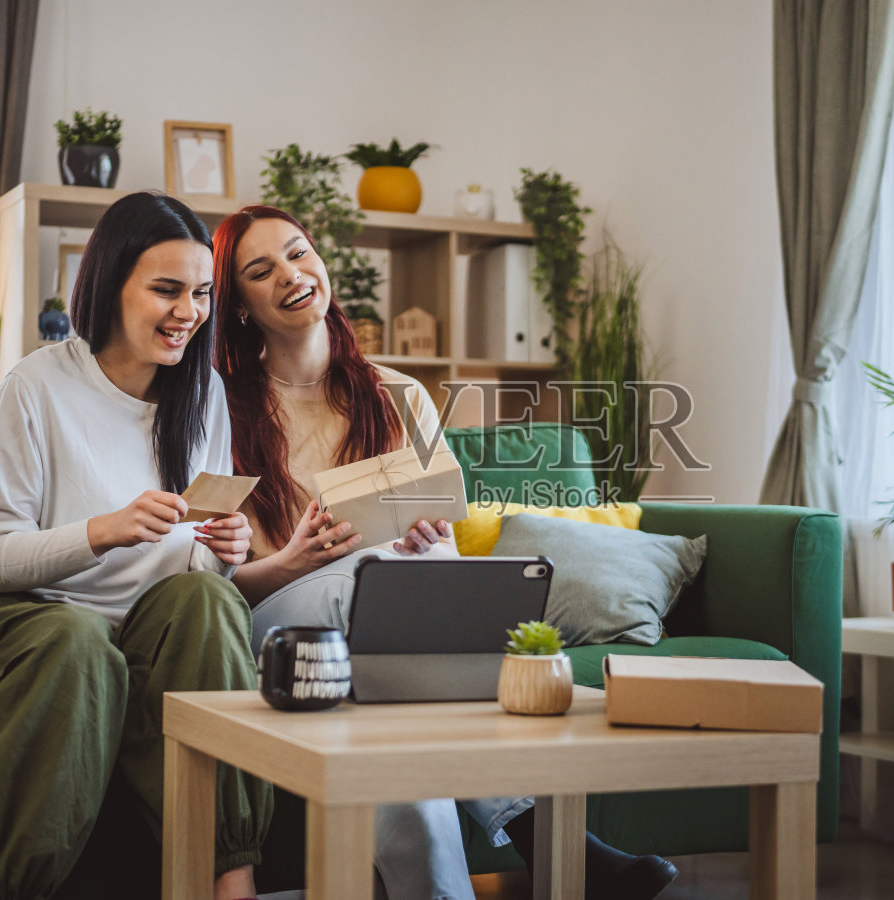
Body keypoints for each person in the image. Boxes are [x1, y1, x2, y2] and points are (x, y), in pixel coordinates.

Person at [211, 204, 678, 900]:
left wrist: (423, 541)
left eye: (299, 253)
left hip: (382, 626)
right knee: (374, 584)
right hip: (282, 624)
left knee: (405, 700)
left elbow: (449, 553)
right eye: (261, 270)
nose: (291, 275)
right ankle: (544, 837)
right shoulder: (219, 408)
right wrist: (296, 560)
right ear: (240, 305)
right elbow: (217, 591)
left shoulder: (398, 394)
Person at [0, 191, 273, 900]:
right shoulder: (36, 386)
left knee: (210, 600)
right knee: (78, 639)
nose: (189, 313)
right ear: (111, 282)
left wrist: (224, 549)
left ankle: (229, 883)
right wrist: (100, 532)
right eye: (166, 290)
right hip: (34, 615)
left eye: (203, 293)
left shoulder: (201, 393)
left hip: (152, 625)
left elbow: (195, 564)